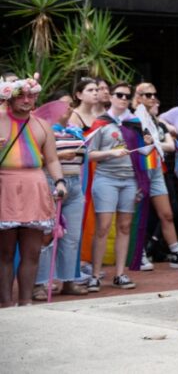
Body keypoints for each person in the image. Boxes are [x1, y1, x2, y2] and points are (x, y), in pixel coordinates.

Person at [0, 77, 67, 307]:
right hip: (4, 186)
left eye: (31, 96)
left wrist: (59, 181)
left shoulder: (42, 125)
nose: (27, 100)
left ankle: (26, 302)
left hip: (35, 186)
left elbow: (51, 159)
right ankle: (7, 304)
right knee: (5, 252)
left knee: (32, 252)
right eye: (21, 96)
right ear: (10, 97)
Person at [86, 81, 146, 291]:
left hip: (130, 179)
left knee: (124, 226)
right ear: (110, 97)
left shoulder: (134, 122)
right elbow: (89, 154)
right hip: (106, 178)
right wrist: (111, 153)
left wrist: (149, 143)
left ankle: (120, 274)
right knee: (102, 227)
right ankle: (95, 274)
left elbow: (143, 152)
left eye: (126, 96)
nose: (122, 99)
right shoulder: (101, 122)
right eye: (119, 95)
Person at [33, 92, 88, 299]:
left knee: (72, 237)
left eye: (71, 104)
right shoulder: (42, 130)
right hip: (51, 181)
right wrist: (58, 155)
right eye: (64, 104)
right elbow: (34, 154)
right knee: (46, 236)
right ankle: (39, 284)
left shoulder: (74, 131)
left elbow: (83, 157)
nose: (69, 108)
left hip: (75, 183)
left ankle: (68, 280)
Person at [133, 82, 178, 270]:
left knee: (167, 213)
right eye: (147, 95)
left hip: (156, 168)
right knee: (139, 214)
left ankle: (175, 252)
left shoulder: (155, 120)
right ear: (138, 97)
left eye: (153, 94)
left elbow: (170, 145)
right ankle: (138, 253)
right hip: (141, 168)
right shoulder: (134, 118)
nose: (152, 98)